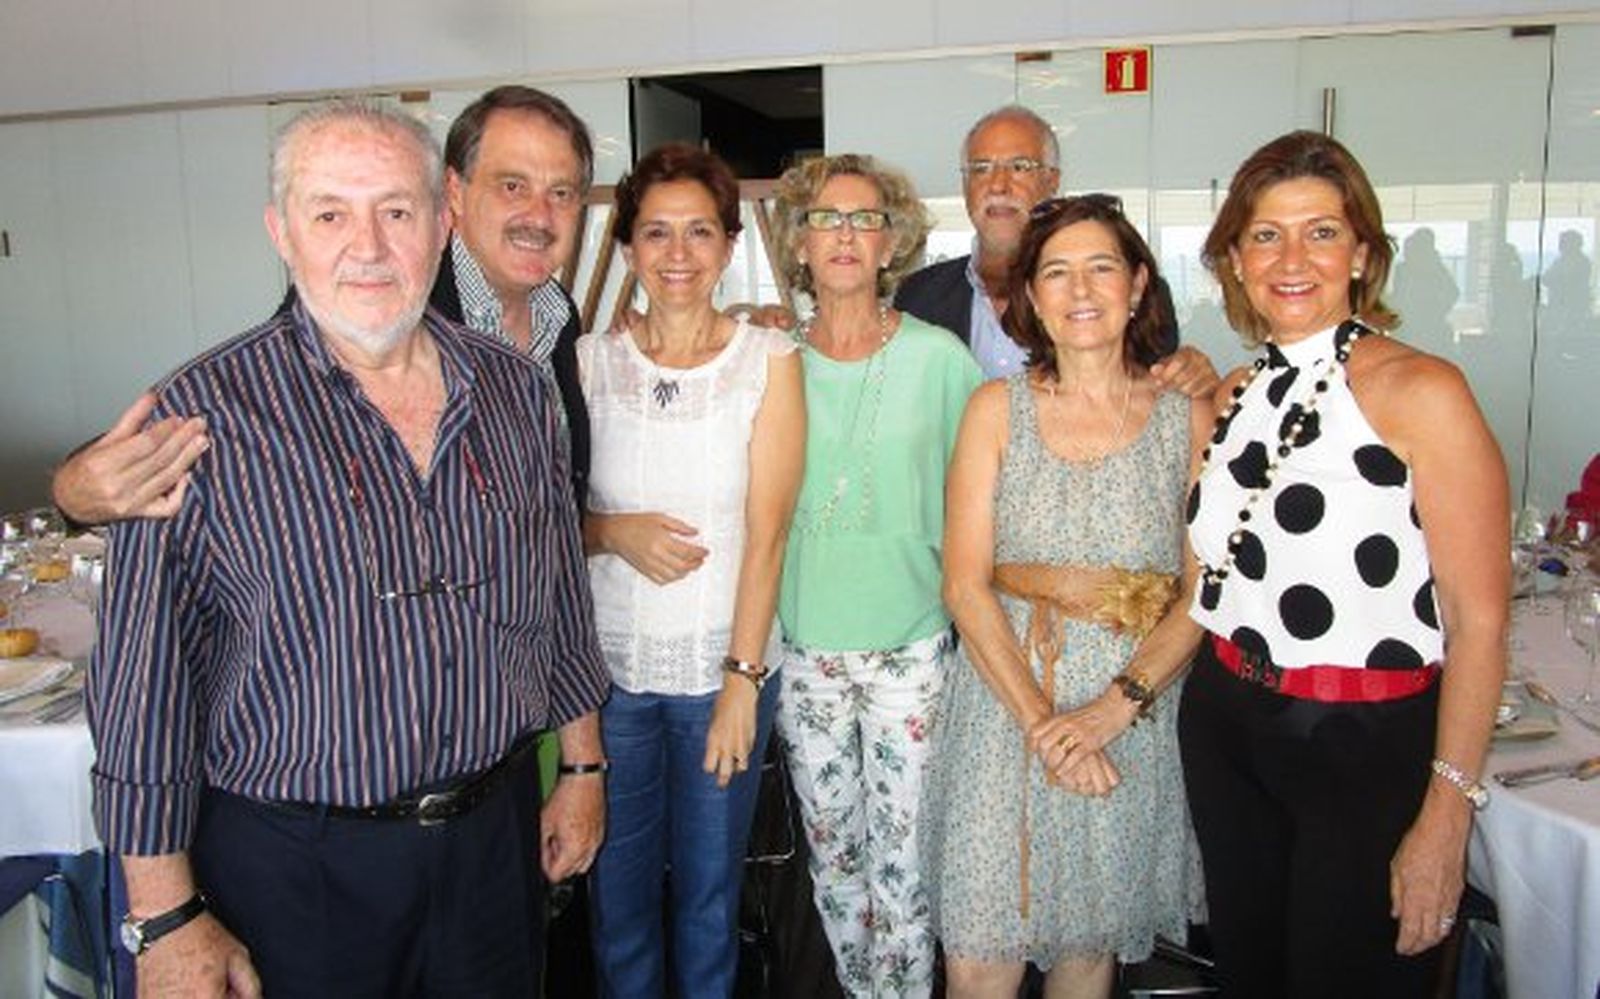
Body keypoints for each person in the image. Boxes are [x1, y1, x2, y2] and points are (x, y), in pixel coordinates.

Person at [87, 99, 609, 996]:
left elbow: (558, 596)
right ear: (281, 233)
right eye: (330, 212)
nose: (367, 246)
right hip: (295, 868)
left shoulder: (519, 394)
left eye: (396, 212)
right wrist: (165, 915)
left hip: (494, 842)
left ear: (440, 225)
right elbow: (144, 688)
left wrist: (585, 766)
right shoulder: (200, 419)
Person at [1180, 130, 1508, 998]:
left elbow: (1481, 621)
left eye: (1320, 232)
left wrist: (1447, 813)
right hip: (1225, 722)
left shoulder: (1423, 391)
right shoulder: (1232, 395)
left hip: (1360, 747)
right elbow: (1210, 578)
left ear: (1361, 253)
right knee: (1250, 974)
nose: (1292, 258)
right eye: (1265, 234)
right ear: (1236, 262)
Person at [922, 194, 1210, 999]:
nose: (1080, 290)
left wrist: (1109, 712)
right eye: (1056, 272)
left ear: (1139, 285)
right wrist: (1047, 726)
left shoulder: (1186, 419)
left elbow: (1202, 589)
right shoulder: (995, 409)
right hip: (1003, 706)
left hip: (1133, 710)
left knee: (1086, 949)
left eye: (1101, 268)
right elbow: (963, 582)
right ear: (1030, 298)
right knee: (981, 954)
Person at [579, 142, 805, 998]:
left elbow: (769, 530)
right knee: (619, 892)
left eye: (699, 232)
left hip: (724, 671)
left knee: (710, 894)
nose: (678, 254)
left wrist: (743, 680)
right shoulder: (589, 364)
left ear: (728, 242)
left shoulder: (768, 360)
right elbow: (546, 520)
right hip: (611, 681)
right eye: (657, 232)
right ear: (630, 247)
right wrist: (609, 529)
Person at [767, 153, 982, 997]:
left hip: (911, 646)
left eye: (864, 218)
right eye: (826, 218)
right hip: (807, 650)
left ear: (892, 241)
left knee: (906, 863)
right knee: (834, 857)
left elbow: (983, 495)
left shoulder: (940, 360)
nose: (846, 234)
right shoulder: (772, 363)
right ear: (800, 242)